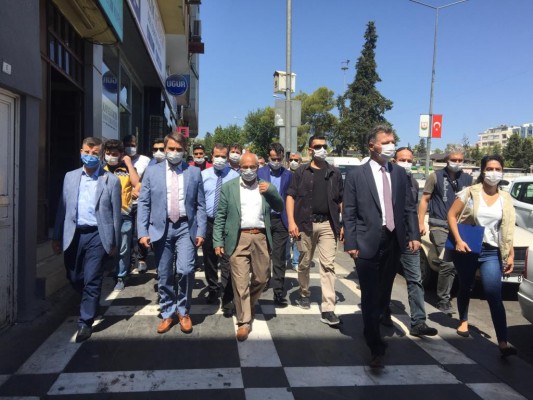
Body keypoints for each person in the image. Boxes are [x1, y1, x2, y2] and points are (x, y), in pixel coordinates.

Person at [343, 125, 420, 368]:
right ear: (372, 146)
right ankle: (375, 345)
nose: (391, 146)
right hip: (366, 242)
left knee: (384, 291)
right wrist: (351, 242)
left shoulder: (399, 173)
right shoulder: (357, 175)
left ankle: (377, 318)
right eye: (385, 142)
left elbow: (408, 207)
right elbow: (350, 211)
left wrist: (413, 234)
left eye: (392, 141)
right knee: (370, 293)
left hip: (393, 240)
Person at [52, 137, 122, 342]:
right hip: (73, 234)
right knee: (75, 277)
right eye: (87, 152)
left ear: (101, 155)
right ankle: (90, 300)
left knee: (92, 277)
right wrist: (57, 236)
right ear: (81, 152)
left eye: (94, 153)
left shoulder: (111, 180)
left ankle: (85, 321)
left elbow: (116, 215)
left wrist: (115, 242)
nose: (90, 156)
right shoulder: (70, 177)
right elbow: (62, 208)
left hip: (98, 235)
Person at [448, 155, 517, 357]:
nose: (494, 173)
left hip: (492, 251)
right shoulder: (470, 192)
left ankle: (503, 341)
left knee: (493, 292)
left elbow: (507, 228)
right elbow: (451, 215)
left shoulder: (505, 198)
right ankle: (463, 320)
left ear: (502, 171)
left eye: (498, 169)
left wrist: (510, 254)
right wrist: (458, 240)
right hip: (468, 247)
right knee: (466, 285)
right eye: (490, 168)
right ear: (483, 171)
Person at [137, 132, 206, 334]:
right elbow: (144, 202)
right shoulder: (152, 172)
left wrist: (201, 230)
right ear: (165, 149)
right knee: (164, 272)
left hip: (186, 227)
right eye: (171, 149)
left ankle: (183, 311)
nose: (174, 153)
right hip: (161, 228)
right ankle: (167, 311)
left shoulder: (194, 172)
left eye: (179, 149)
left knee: (185, 270)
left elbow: (200, 204)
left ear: (184, 151)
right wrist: (142, 231)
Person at [213, 152, 283, 341]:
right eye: (245, 167)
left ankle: (248, 303)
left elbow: (280, 207)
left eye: (252, 167)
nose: (249, 170)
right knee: (240, 281)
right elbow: (220, 216)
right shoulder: (229, 187)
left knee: (262, 278)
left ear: (258, 168)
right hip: (238, 238)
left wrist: (271, 191)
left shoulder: (265, 186)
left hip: (260, 237)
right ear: (239, 168)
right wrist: (217, 241)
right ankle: (244, 321)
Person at [286, 135, 344, 326]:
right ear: (310, 150)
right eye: (318, 146)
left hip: (328, 224)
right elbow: (290, 196)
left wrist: (343, 224)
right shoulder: (301, 172)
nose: (322, 149)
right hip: (305, 224)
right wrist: (291, 222)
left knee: (328, 265)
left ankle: (328, 308)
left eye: (325, 146)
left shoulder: (334, 173)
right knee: (304, 263)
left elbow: (341, 200)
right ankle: (304, 293)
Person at [418, 147, 473, 314]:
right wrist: (421, 222)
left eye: (460, 160)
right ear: (447, 160)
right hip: (439, 226)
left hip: (461, 227)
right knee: (448, 262)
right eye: (454, 160)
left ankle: (460, 292)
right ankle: (443, 299)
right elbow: (425, 199)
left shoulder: (468, 179)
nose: (457, 163)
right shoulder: (435, 176)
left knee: (462, 263)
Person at [391, 147, 438, 337]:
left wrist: (415, 236)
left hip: (407, 239)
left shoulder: (412, 181)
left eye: (409, 160)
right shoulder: (386, 179)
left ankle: (418, 322)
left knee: (415, 279)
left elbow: (411, 210)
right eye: (402, 159)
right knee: (384, 279)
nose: (406, 163)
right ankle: (381, 313)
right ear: (394, 161)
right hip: (387, 238)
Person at [201, 143, 239, 314]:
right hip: (208, 222)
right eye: (217, 156)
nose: (220, 159)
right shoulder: (203, 175)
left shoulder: (235, 176)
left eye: (224, 156)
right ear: (211, 156)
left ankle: (227, 297)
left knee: (227, 260)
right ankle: (213, 288)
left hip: (227, 223)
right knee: (209, 258)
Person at [258, 143, 293, 306]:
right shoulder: (260, 173)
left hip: (281, 220)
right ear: (268, 157)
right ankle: (263, 281)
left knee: (279, 257)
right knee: (263, 255)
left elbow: (291, 198)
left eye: (279, 159)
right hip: (263, 219)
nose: (276, 162)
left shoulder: (289, 175)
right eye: (273, 159)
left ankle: (278, 291)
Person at [103, 139, 140, 291]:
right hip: (104, 215)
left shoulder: (126, 169)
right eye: (108, 153)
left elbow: (137, 183)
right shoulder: (101, 169)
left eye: (114, 154)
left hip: (124, 214)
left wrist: (129, 164)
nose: (111, 156)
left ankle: (121, 276)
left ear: (121, 154)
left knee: (123, 248)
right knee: (105, 245)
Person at [123, 135, 151, 273]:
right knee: (126, 234)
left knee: (139, 231)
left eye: (133, 145)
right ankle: (128, 261)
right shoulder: (120, 159)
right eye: (127, 145)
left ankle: (141, 259)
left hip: (140, 202)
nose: (130, 147)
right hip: (124, 204)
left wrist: (138, 190)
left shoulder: (145, 160)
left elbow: (145, 180)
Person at [286, 151, 302, 270]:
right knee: (286, 238)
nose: (293, 162)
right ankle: (286, 258)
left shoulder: (303, 174)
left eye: (296, 160)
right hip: (286, 210)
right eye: (291, 160)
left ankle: (296, 261)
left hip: (299, 210)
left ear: (300, 161)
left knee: (297, 237)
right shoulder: (285, 174)